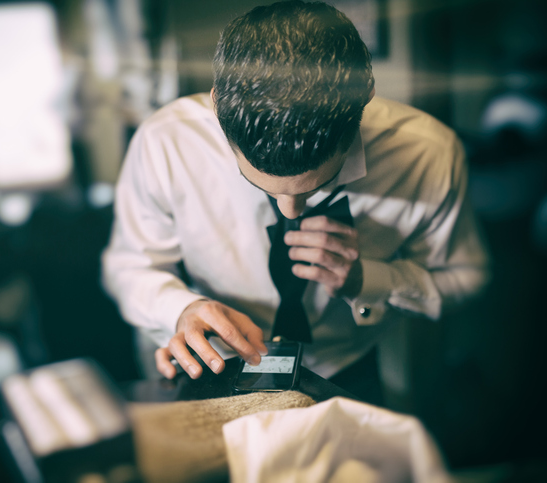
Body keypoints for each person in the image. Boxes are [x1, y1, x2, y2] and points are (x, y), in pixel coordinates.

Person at [102, 0, 489, 404]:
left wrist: (371, 281)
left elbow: (468, 275)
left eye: (315, 186)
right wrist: (179, 309)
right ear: (218, 104)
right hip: (219, 367)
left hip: (349, 368)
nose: (291, 212)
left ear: (366, 98)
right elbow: (128, 265)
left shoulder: (430, 155)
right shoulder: (166, 141)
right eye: (264, 186)